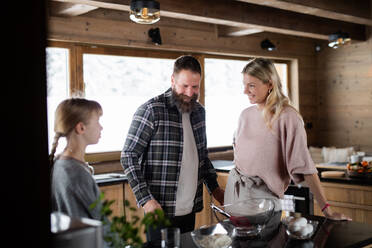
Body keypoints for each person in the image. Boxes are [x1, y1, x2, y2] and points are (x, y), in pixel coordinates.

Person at [225, 58, 351, 221]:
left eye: (251, 85)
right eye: (244, 84)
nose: (245, 91)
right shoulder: (245, 115)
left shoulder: (287, 117)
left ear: (270, 84)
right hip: (234, 196)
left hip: (262, 204)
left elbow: (305, 167)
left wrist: (327, 210)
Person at [121, 55, 225, 242]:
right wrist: (145, 200)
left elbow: (201, 156)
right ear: (172, 80)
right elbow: (128, 156)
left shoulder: (200, 112)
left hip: (190, 208)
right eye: (184, 86)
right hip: (159, 209)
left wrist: (215, 189)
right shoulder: (152, 110)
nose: (190, 92)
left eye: (195, 87)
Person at [50, 98, 103, 220]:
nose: (101, 127)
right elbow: (99, 222)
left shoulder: (60, 163)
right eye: (97, 122)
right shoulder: (75, 172)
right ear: (81, 128)